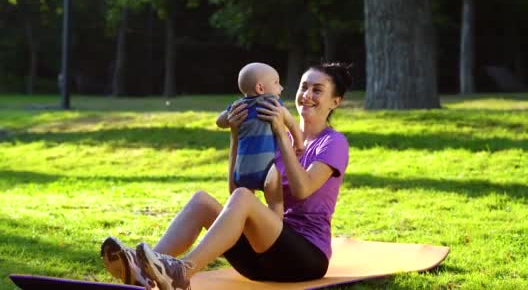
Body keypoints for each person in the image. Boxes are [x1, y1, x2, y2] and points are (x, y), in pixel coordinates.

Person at [101, 62, 352, 290]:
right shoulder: (276, 136)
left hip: (304, 259)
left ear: (335, 102)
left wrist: (282, 136)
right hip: (264, 257)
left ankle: (182, 271)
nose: (307, 95)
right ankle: (141, 269)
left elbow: (302, 189)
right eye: (304, 87)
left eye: (317, 90)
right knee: (202, 201)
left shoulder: (333, 142)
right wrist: (235, 135)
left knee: (243, 198)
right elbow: (237, 190)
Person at [215, 62, 304, 217]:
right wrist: (299, 143)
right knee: (276, 203)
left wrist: (229, 119)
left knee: (243, 207)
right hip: (266, 169)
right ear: (260, 88)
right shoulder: (273, 104)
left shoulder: (237, 106)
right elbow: (291, 123)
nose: (281, 87)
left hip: (242, 169)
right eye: (276, 83)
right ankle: (277, 230)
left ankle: (246, 229)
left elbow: (219, 122)